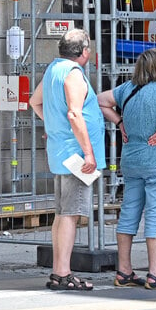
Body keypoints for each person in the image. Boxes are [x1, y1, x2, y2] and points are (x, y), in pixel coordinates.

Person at [30, 28, 115, 291]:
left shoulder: (53, 69)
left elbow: (35, 102)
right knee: (71, 214)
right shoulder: (74, 74)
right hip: (76, 155)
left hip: (61, 150)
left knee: (62, 213)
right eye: (89, 48)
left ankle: (59, 272)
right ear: (83, 52)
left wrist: (53, 127)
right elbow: (75, 115)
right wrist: (88, 152)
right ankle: (63, 274)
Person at [98, 48, 156, 290]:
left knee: (129, 213)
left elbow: (101, 101)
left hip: (132, 162)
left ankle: (124, 271)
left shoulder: (127, 89)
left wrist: (120, 122)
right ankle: (155, 274)